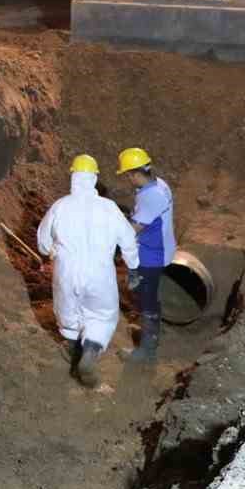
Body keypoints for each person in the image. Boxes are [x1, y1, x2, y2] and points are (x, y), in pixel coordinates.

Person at [37, 154, 141, 387]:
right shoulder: (109, 208)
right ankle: (90, 353)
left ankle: (73, 348)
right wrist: (133, 269)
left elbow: (42, 242)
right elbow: (128, 241)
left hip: (66, 273)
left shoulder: (60, 206)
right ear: (94, 179)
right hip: (99, 275)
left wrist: (50, 248)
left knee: (68, 314)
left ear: (73, 176)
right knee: (101, 317)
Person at [117, 147, 175, 364]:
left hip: (152, 255)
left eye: (127, 175)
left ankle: (147, 351)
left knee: (147, 298)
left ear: (134, 174)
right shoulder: (159, 184)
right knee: (147, 295)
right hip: (158, 247)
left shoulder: (152, 196)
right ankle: (149, 332)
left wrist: (112, 230)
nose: (128, 179)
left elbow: (133, 229)